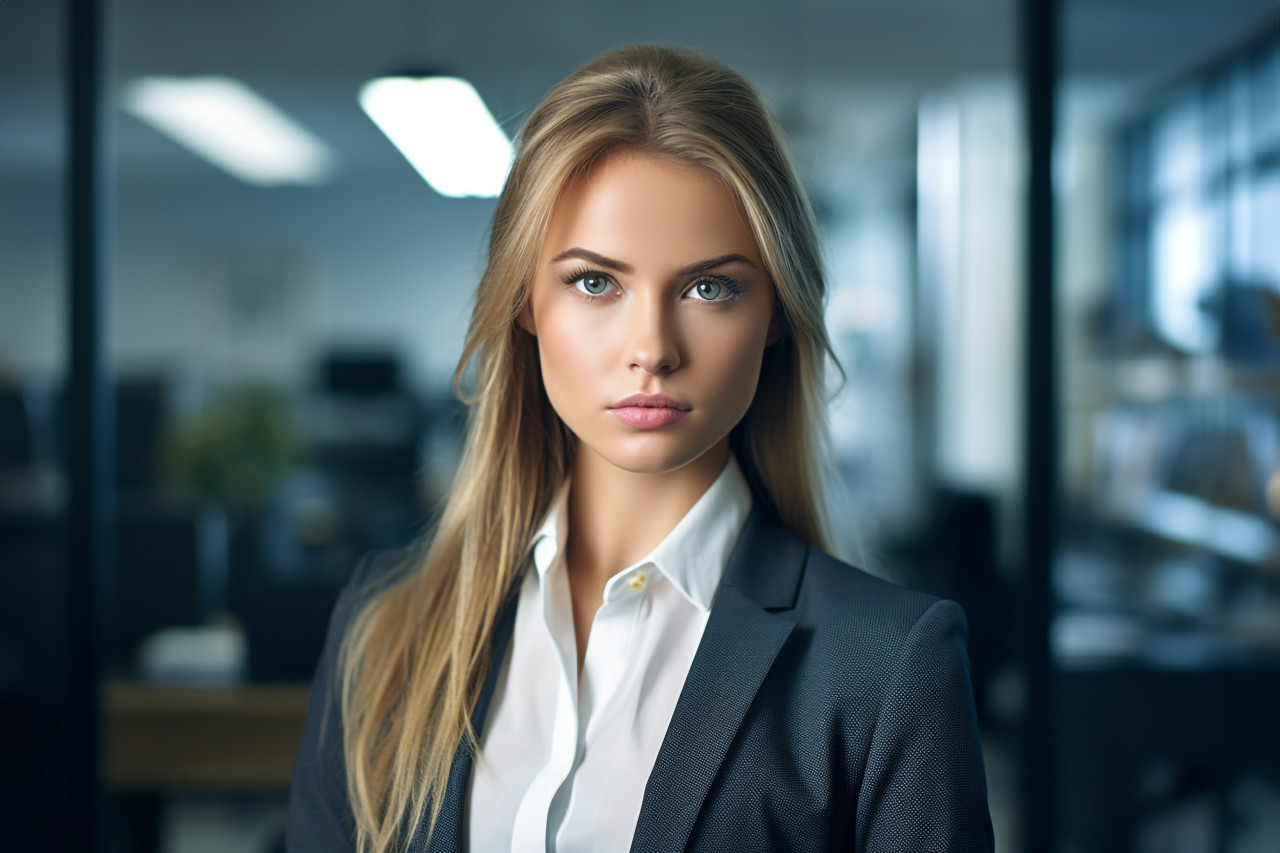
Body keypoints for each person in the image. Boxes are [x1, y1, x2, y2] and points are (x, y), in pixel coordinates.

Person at [287, 44, 994, 853]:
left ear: (773, 317)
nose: (651, 347)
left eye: (709, 287)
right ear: (525, 302)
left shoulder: (885, 665)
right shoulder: (387, 621)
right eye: (595, 282)